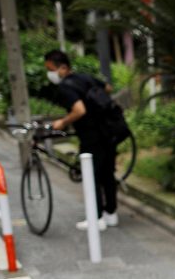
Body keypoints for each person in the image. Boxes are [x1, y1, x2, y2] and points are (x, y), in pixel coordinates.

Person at [44, 50, 119, 230]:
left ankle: (96, 218)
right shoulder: (85, 78)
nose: (50, 74)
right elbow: (108, 88)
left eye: (51, 69)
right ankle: (111, 214)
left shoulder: (66, 87)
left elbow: (79, 110)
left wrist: (62, 122)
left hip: (91, 135)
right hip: (109, 131)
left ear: (63, 68)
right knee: (107, 173)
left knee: (91, 174)